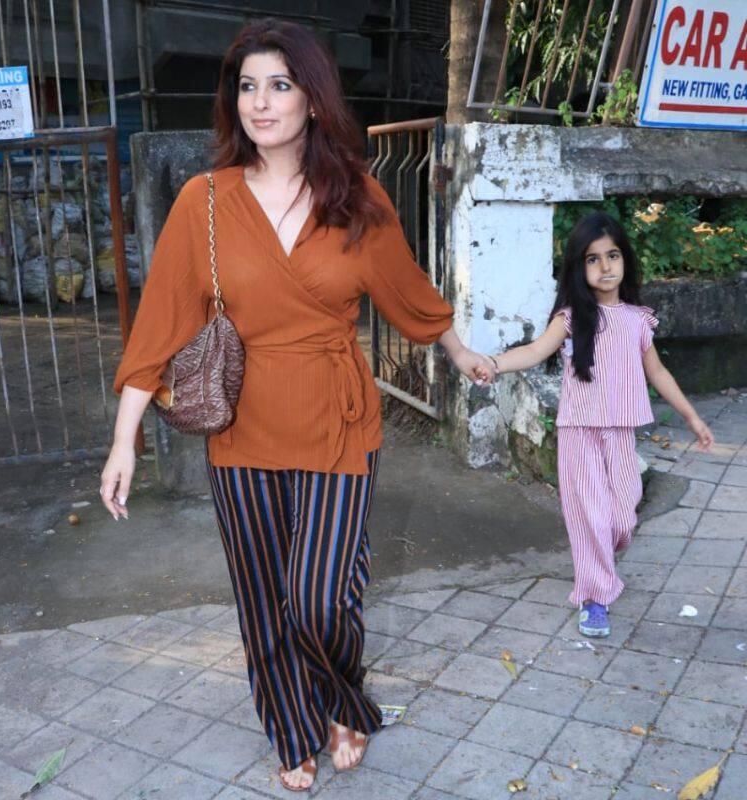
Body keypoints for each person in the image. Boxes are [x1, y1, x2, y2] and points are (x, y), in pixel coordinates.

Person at [100, 19, 494, 793]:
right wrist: (125, 440)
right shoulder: (202, 202)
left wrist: (459, 351)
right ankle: (292, 725)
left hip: (337, 419)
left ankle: (346, 699)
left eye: (280, 84)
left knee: (317, 599)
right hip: (242, 426)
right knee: (260, 594)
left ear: (313, 98)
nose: (261, 101)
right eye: (247, 86)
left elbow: (408, 292)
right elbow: (161, 328)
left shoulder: (356, 196)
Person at [479, 212, 713, 639]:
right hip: (578, 433)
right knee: (590, 515)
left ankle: (601, 561)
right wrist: (493, 364)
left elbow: (658, 373)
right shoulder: (570, 319)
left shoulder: (638, 320)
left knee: (622, 514)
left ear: (625, 261)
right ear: (578, 267)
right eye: (592, 259)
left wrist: (692, 416)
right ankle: (594, 597)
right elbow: (533, 352)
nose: (605, 267)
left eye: (612, 256)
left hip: (619, 434)